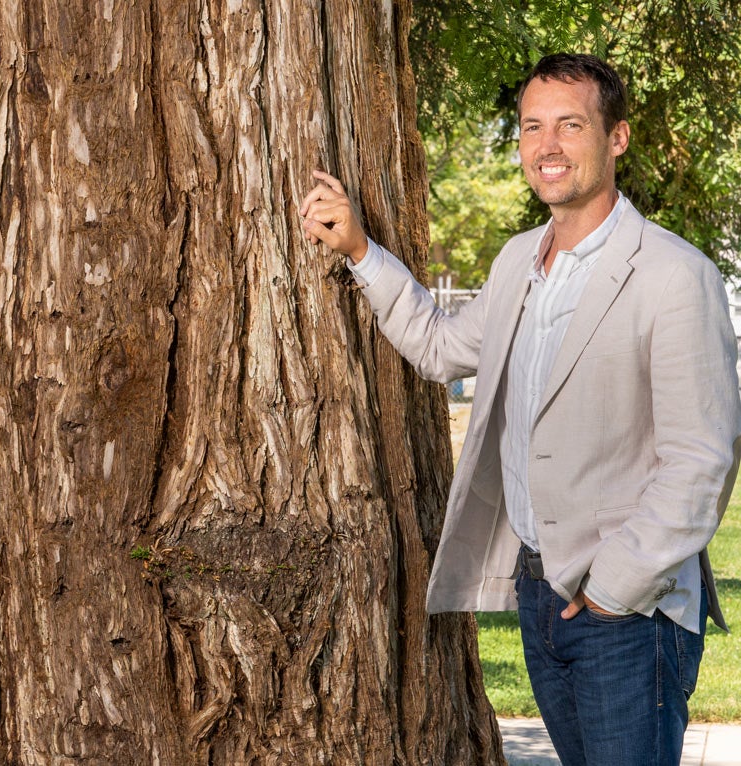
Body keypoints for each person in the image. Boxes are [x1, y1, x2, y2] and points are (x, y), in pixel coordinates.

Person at [300, 53, 741, 765]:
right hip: (540, 595)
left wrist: (614, 589)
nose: (547, 145)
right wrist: (359, 251)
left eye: (571, 124)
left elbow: (702, 462)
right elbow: (441, 349)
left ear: (616, 138)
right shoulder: (515, 265)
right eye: (532, 127)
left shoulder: (675, 275)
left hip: (628, 612)